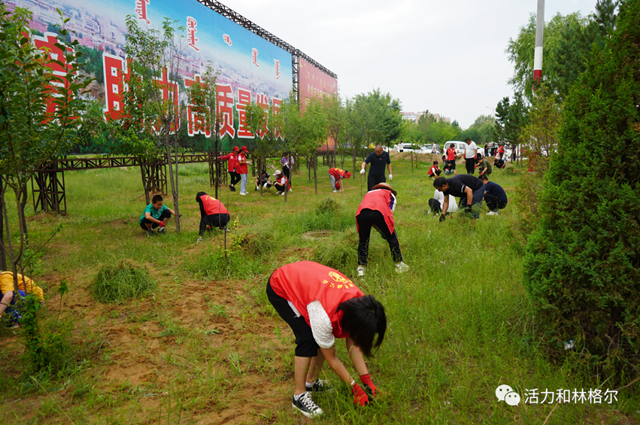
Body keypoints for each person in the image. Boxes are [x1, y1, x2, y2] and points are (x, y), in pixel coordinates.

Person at [266, 261, 386, 417]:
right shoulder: (323, 315)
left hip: (306, 279)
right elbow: (332, 358)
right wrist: (355, 388)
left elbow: (353, 342)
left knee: (322, 338)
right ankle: (299, 396)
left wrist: (366, 380)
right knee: (307, 338)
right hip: (281, 286)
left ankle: (311, 382)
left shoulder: (362, 305)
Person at [355, 183, 409, 276]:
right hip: (379, 212)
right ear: (389, 189)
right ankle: (399, 265)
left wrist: (380, 230)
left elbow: (369, 214)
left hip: (361, 213)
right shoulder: (389, 194)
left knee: (363, 241)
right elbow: (388, 214)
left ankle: (361, 268)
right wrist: (385, 232)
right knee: (392, 237)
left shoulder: (369, 193)